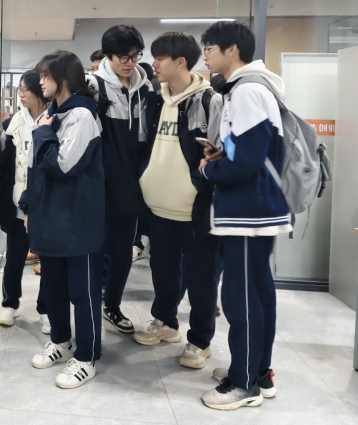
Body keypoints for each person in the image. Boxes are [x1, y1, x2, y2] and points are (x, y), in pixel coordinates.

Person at [197, 21, 289, 410]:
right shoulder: (251, 88)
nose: (205, 56)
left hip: (250, 212)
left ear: (231, 50)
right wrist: (222, 154)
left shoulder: (249, 90)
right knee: (259, 293)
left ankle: (243, 383)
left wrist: (209, 170)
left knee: (241, 297)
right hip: (255, 208)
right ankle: (258, 371)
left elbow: (247, 163)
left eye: (209, 49)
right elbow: (250, 151)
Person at [134, 32, 223, 372]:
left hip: (196, 208)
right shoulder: (153, 99)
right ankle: (165, 322)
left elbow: (218, 151)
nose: (154, 64)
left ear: (181, 62)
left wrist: (199, 183)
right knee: (163, 271)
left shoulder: (208, 100)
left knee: (202, 280)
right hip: (158, 204)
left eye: (160, 58)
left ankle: (200, 340)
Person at [21, 50, 105, 389]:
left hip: (77, 220)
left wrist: (42, 133)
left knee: (83, 293)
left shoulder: (81, 115)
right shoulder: (51, 113)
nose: (40, 82)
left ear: (64, 79)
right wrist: (30, 207)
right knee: (52, 287)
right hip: (50, 216)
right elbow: (35, 167)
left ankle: (86, 357)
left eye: (46, 76)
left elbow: (62, 164)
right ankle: (60, 340)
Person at [91, 24, 153, 335]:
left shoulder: (147, 88)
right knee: (94, 249)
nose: (130, 63)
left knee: (122, 251)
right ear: (108, 56)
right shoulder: (93, 87)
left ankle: (112, 305)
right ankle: (89, 307)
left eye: (135, 55)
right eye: (123, 57)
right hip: (100, 183)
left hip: (134, 181)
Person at [0, 70, 50, 333]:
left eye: (26, 89)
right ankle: (10, 303)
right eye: (20, 90)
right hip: (16, 202)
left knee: (48, 261)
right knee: (15, 257)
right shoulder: (11, 124)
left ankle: (46, 309)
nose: (21, 94)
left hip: (45, 204)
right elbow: (2, 165)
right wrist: (2, 194)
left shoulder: (53, 121)